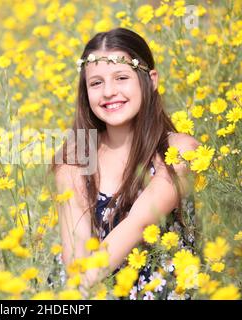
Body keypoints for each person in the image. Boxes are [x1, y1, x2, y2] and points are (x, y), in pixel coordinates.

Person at [49, 27, 199, 299]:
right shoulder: (74, 161)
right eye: (96, 83)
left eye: (121, 77)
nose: (108, 92)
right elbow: (76, 259)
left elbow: (139, 223)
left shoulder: (179, 150)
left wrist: (78, 291)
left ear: (151, 80)